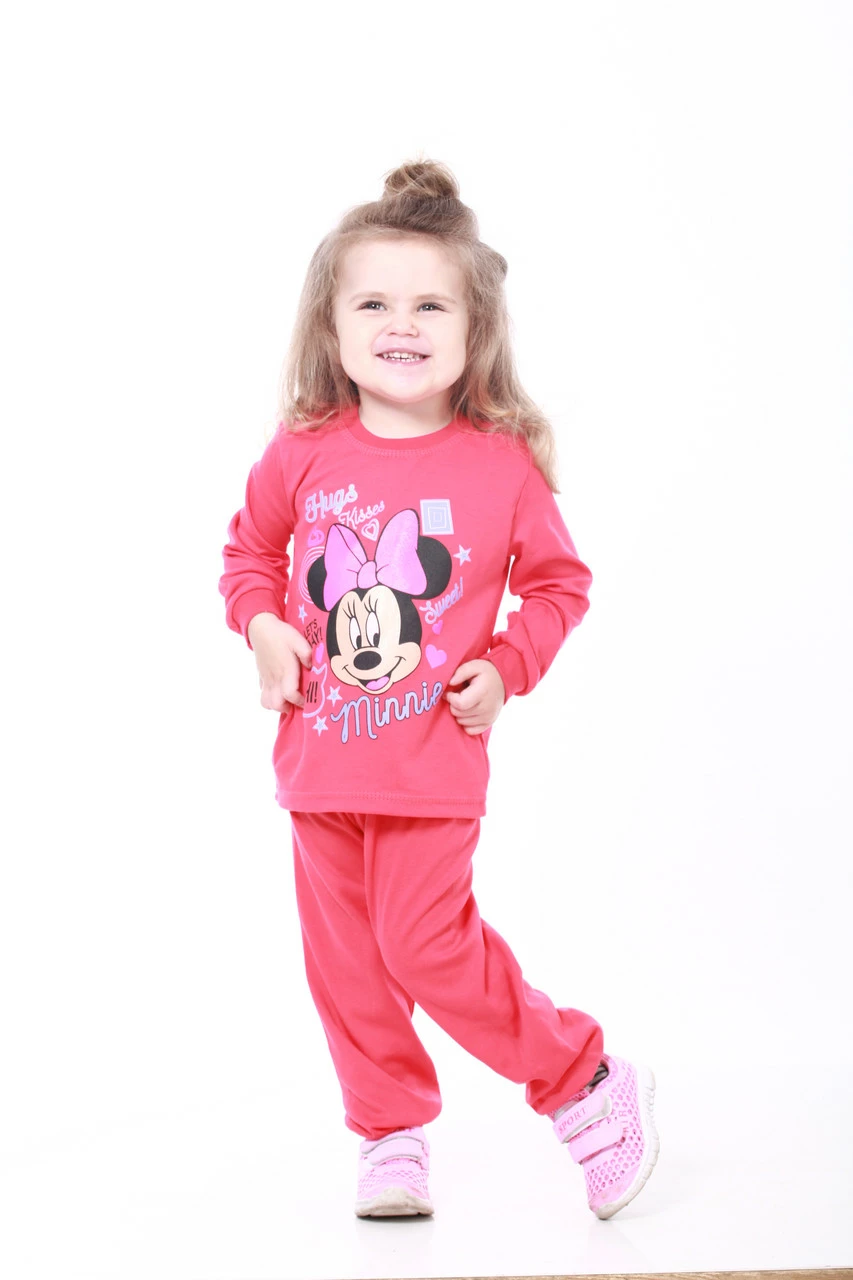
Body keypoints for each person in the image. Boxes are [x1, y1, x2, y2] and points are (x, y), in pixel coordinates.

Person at [219, 157, 659, 1221]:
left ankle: (585, 1081)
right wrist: (262, 625)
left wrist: (506, 667)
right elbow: (248, 557)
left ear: (474, 329)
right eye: (373, 302)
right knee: (346, 967)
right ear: (332, 325)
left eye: (430, 304)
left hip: (430, 764)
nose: (401, 324)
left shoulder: (498, 464)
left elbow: (558, 585)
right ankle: (389, 1136)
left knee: (425, 945)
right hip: (318, 766)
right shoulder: (302, 450)